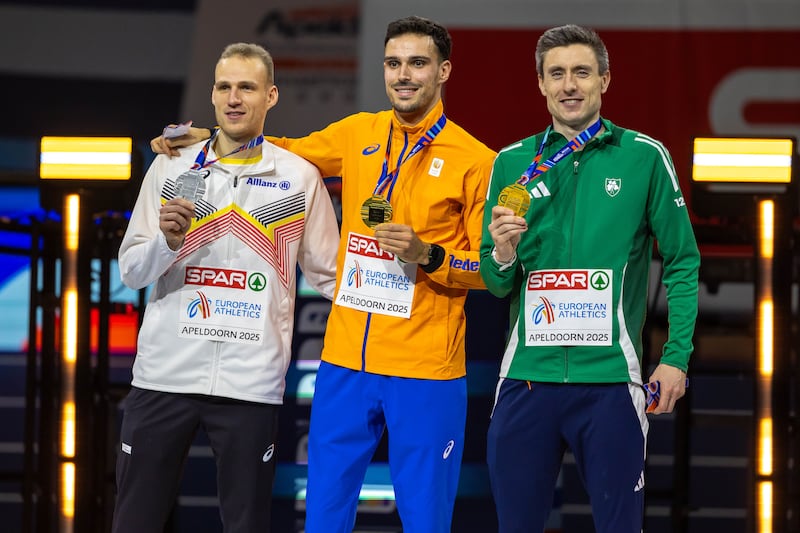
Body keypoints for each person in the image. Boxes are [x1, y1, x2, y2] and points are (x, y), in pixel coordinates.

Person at [152, 15, 496, 533]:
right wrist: (213, 138)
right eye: (394, 63)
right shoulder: (358, 132)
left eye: (418, 64)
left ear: (443, 71)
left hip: (426, 370)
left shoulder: (476, 160)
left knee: (426, 521)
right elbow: (284, 151)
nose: (404, 75)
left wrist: (429, 254)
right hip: (344, 366)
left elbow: (491, 271)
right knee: (324, 520)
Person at [479, 24, 700, 533]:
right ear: (540, 83)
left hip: (609, 385)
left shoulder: (644, 156)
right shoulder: (511, 163)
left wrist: (675, 358)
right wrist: (505, 251)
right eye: (556, 74)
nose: (569, 85)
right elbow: (495, 281)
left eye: (582, 72)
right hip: (526, 382)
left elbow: (683, 262)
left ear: (605, 79)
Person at [113, 42, 339, 533]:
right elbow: (131, 270)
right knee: (135, 521)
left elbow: (331, 277)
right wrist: (168, 244)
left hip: (250, 384)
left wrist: (406, 285)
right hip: (163, 378)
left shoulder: (298, 177)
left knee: (246, 525)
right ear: (213, 96)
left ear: (271, 96)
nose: (234, 98)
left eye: (247, 87)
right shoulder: (172, 167)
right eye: (224, 87)